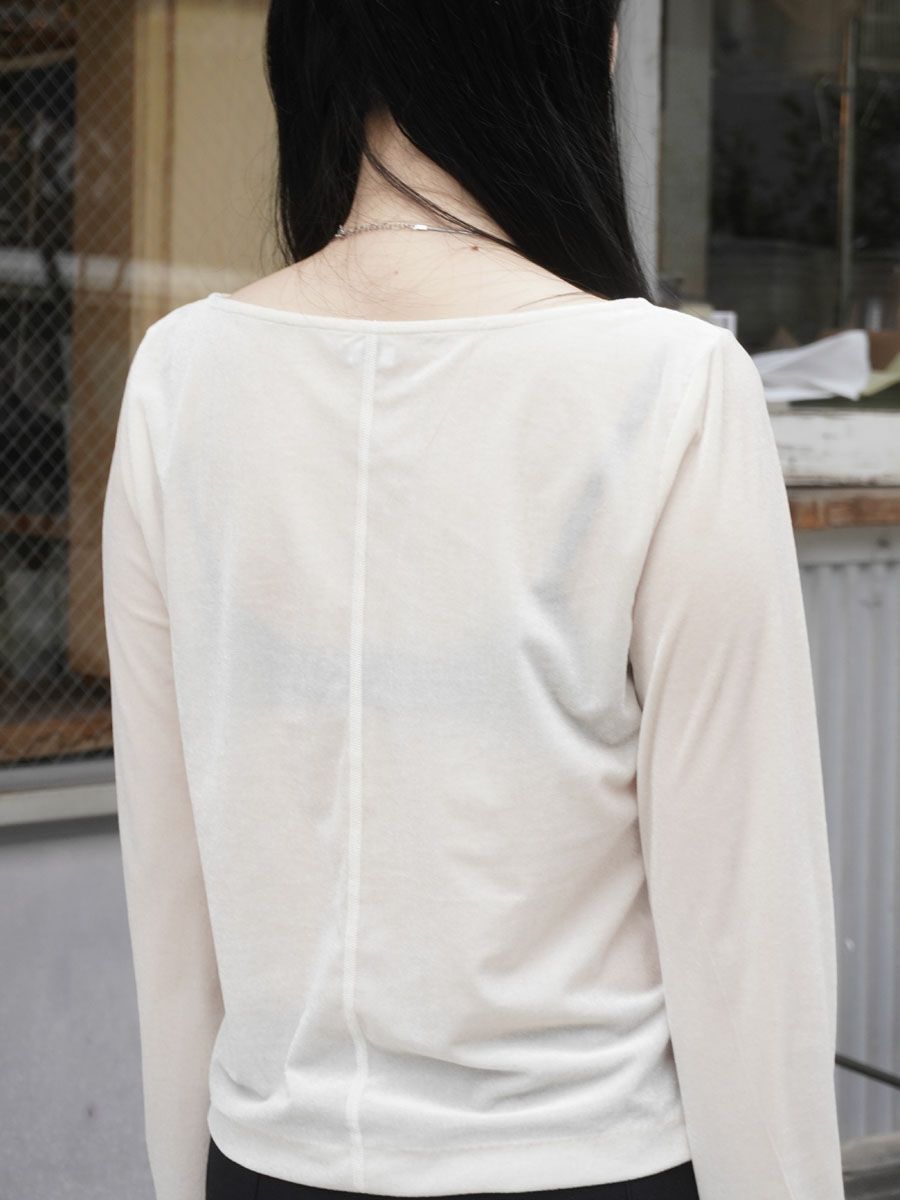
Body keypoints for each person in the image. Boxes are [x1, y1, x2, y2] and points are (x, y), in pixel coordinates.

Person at [100, 3, 845, 1199]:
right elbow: (743, 924)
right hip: (588, 1159)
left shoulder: (182, 380)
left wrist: (184, 1175)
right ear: (566, 40)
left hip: (270, 1157)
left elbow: (170, 882)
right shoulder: (668, 385)